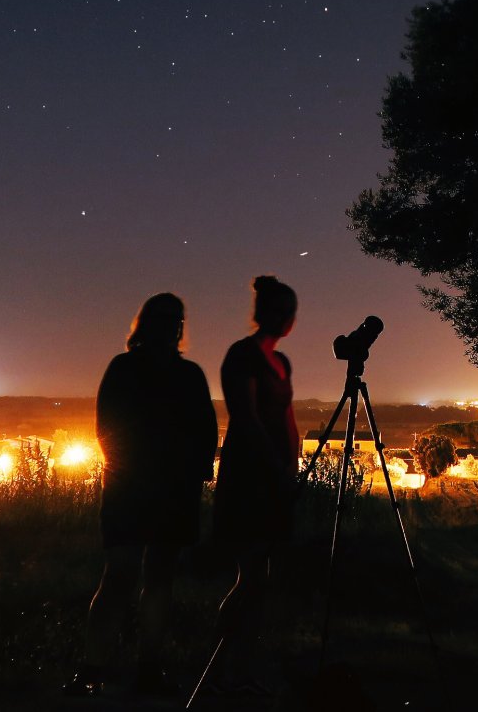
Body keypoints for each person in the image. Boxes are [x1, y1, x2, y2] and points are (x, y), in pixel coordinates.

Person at [68, 292, 218, 697]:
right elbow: (110, 430)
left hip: (153, 491)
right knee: (126, 577)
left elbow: (204, 431)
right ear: (150, 324)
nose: (172, 327)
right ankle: (101, 669)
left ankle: (120, 669)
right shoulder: (155, 372)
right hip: (142, 490)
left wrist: (190, 474)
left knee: (150, 579)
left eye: (176, 320)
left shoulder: (150, 371)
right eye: (167, 320)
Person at [208, 274, 301, 694]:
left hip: (275, 476)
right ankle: (226, 661)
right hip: (249, 476)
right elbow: (244, 417)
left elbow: (286, 415)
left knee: (257, 575)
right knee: (252, 575)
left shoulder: (282, 363)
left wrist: (293, 462)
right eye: (284, 312)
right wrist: (275, 464)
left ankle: (233, 661)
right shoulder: (242, 356)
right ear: (273, 314)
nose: (287, 320)